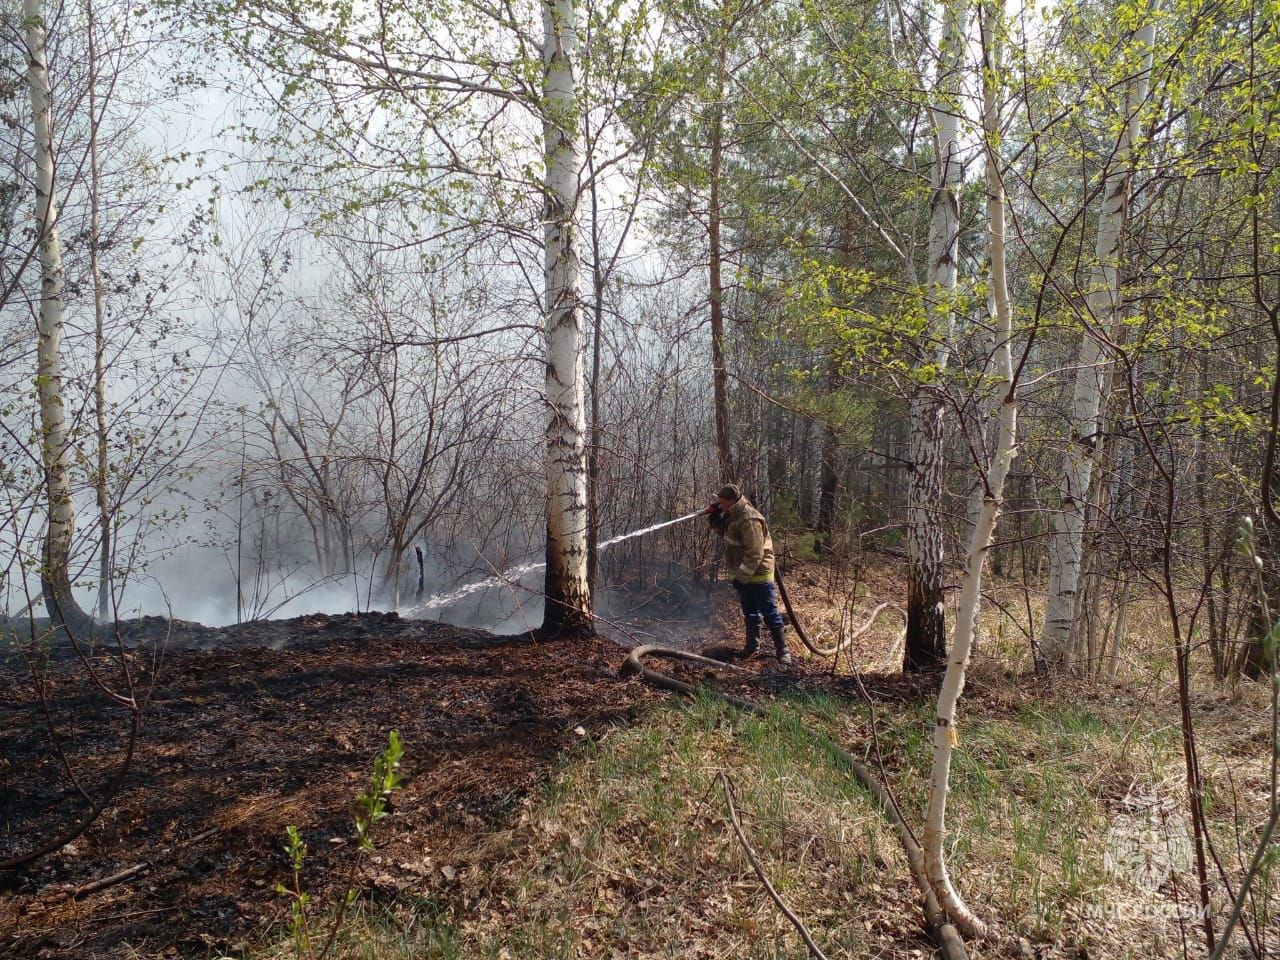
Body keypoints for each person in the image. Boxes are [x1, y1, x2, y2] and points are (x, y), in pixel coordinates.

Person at [706, 484, 791, 665]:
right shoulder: (732, 515)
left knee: (769, 613)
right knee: (750, 612)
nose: (720, 505)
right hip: (744, 573)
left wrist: (741, 577)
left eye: (722, 503)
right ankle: (752, 647)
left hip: (758, 574)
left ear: (731, 501)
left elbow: (755, 553)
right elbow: (726, 534)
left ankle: (783, 651)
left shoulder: (749, 519)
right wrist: (714, 518)